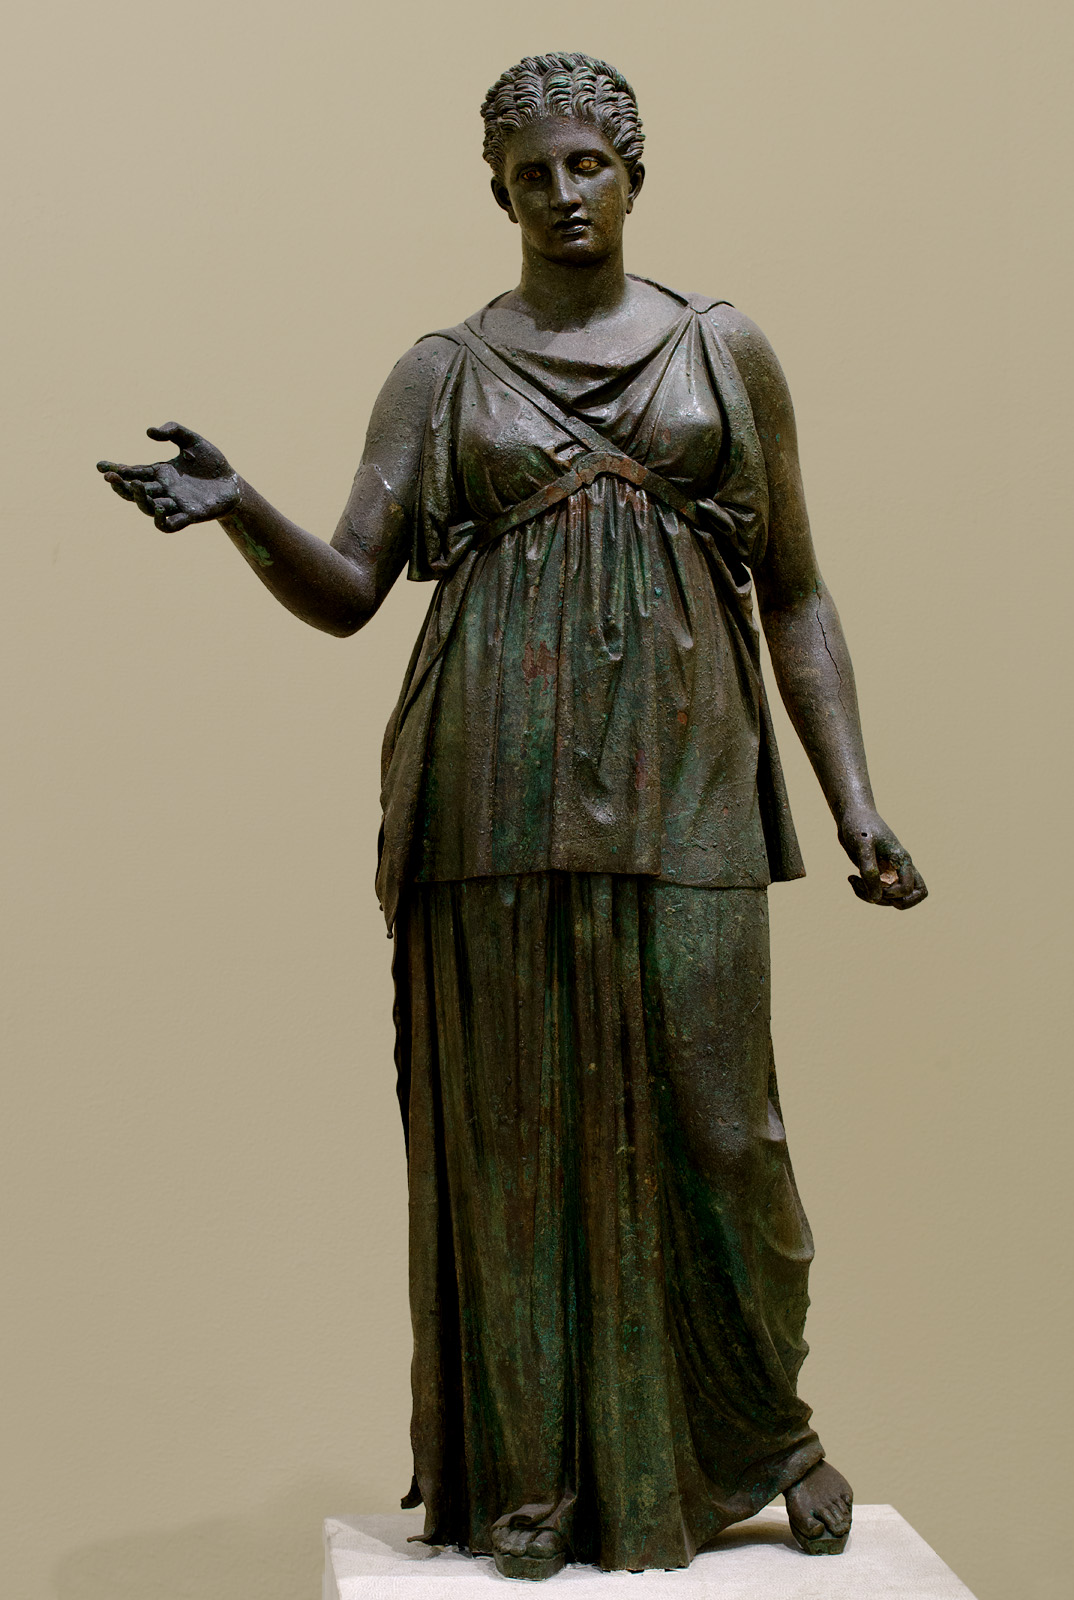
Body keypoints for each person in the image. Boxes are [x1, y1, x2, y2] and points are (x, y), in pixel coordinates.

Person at [97, 51, 926, 1582]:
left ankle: (764, 1437)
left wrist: (855, 803)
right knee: (512, 1146)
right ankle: (532, 1470)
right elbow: (349, 589)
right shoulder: (439, 372)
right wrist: (241, 510)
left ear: (631, 172)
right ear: (495, 191)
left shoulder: (722, 349)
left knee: (728, 1136)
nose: (561, 194)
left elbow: (796, 591)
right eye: (529, 173)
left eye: (584, 164)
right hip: (486, 785)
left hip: (687, 779)